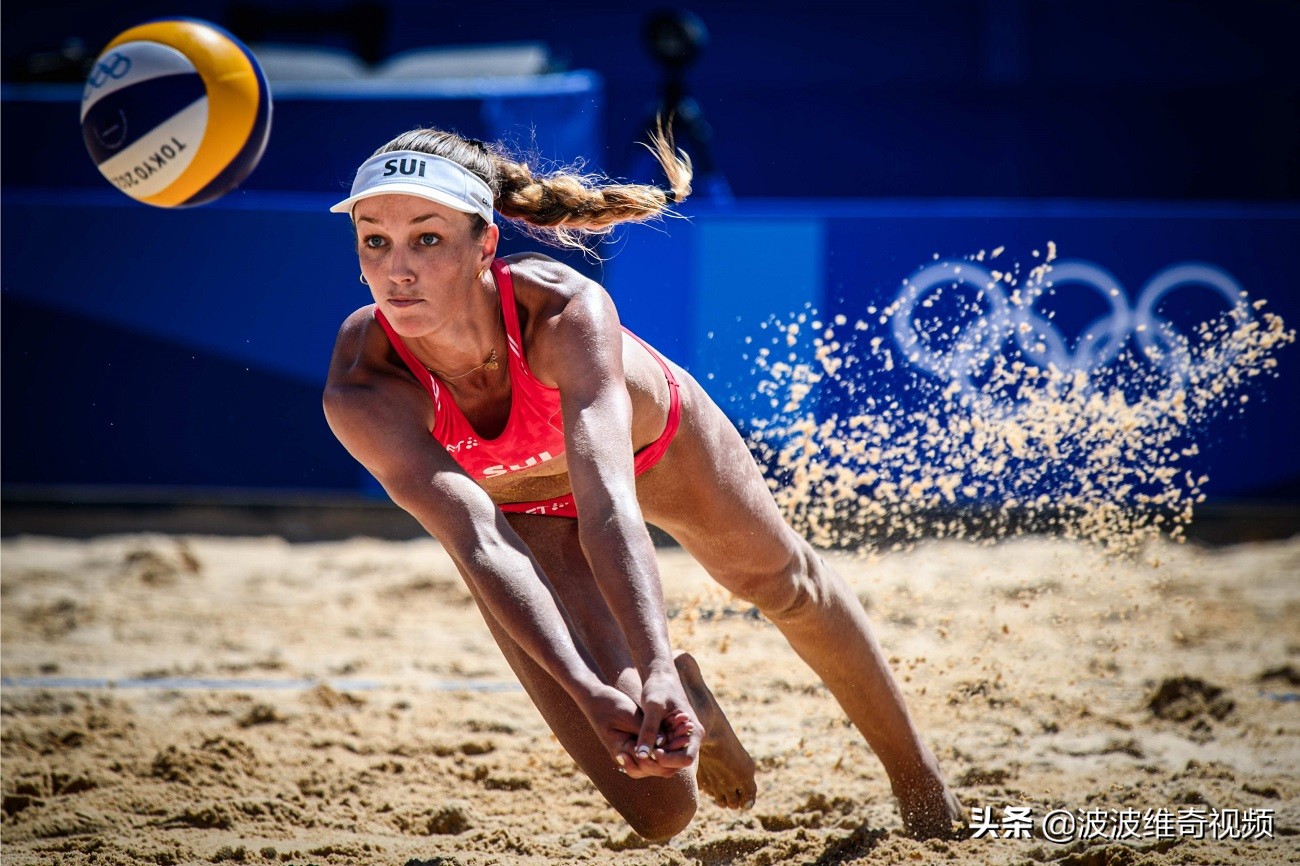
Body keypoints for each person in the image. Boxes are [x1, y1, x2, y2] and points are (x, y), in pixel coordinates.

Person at [322, 124, 965, 841]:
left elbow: (609, 504)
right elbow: (481, 544)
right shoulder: (363, 388)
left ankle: (921, 785)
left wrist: (651, 662)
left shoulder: (565, 311)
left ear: (486, 245)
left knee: (784, 582)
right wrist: (592, 691)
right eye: (373, 240)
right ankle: (690, 698)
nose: (396, 270)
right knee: (662, 811)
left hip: (653, 450)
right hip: (518, 512)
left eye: (428, 239)